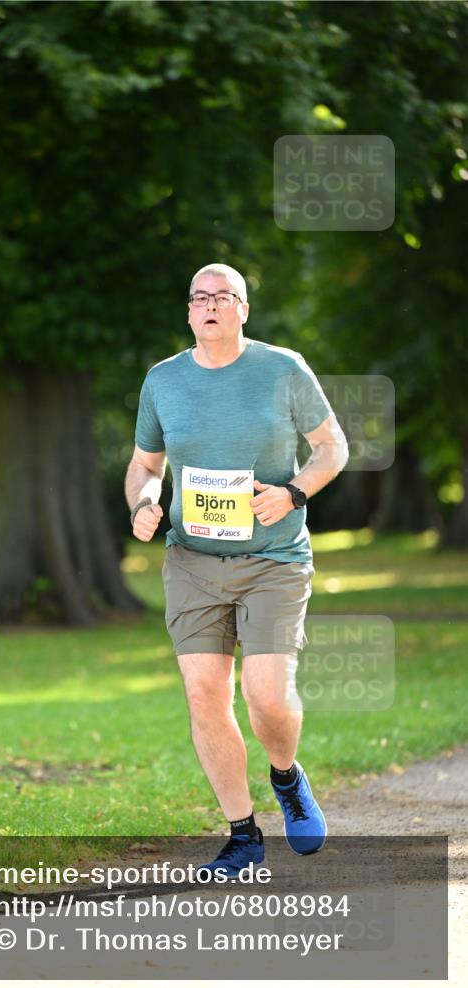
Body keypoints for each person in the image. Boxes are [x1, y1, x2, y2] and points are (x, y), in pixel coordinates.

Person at [124, 263, 349, 877]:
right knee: (204, 696)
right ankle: (242, 836)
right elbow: (145, 463)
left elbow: (334, 447)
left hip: (273, 558)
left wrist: (294, 493)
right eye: (199, 298)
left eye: (223, 297)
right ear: (189, 312)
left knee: (267, 698)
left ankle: (286, 775)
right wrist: (144, 502)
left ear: (243, 309)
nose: (210, 306)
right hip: (193, 562)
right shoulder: (163, 380)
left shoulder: (283, 369)